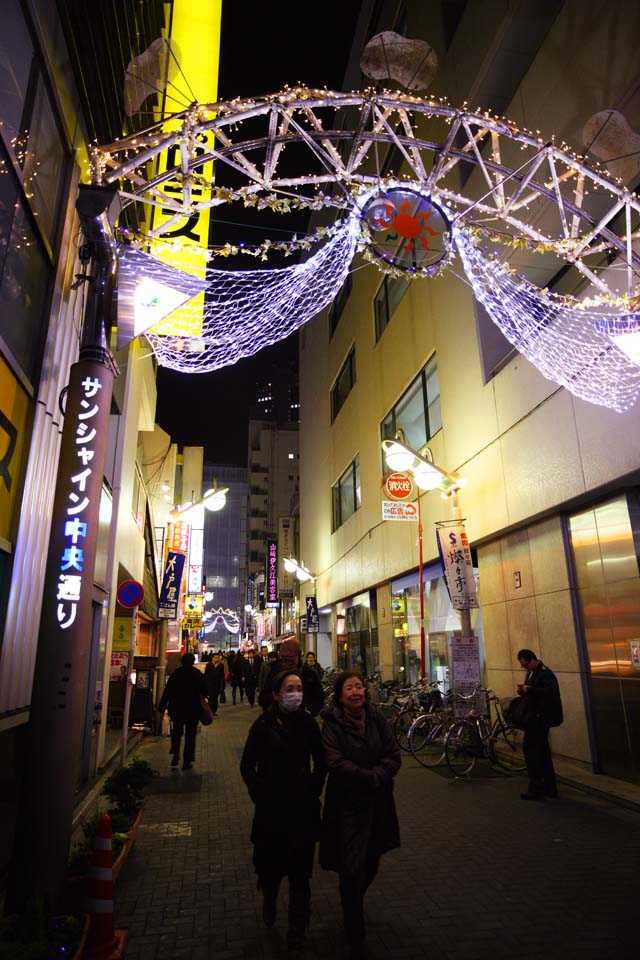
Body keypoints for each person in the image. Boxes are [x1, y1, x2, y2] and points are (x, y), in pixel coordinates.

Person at [240, 670, 327, 960]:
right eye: (290, 688)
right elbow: (246, 765)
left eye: (299, 688)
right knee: (270, 869)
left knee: (301, 877)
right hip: (271, 812)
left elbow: (322, 759)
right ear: (276, 694)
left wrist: (315, 786)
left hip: (302, 810)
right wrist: (259, 794)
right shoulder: (263, 724)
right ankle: (269, 896)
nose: (296, 693)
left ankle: (296, 936)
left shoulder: (308, 723)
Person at [320, 671, 401, 960]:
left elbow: (394, 753)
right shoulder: (331, 723)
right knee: (350, 866)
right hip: (346, 806)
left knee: (372, 859)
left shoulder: (377, 718)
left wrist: (378, 775)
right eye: (349, 688)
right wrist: (367, 778)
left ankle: (352, 900)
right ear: (340, 695)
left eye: (359, 687)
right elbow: (333, 760)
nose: (355, 692)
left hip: (378, 803)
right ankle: (355, 930)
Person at [516, 648, 563, 801]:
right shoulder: (531, 673)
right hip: (535, 718)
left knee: (531, 752)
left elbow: (550, 692)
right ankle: (549, 788)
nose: (524, 668)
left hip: (540, 719)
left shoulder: (545, 673)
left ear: (532, 660)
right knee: (542, 753)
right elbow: (533, 692)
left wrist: (530, 689)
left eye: (525, 664)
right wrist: (524, 691)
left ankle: (536, 789)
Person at [158, 653, 208, 770]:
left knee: (177, 732)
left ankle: (175, 753)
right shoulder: (197, 674)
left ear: (182, 661)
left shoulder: (176, 674)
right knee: (190, 735)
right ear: (192, 662)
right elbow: (205, 690)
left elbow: (167, 691)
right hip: (193, 710)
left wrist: (162, 707)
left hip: (177, 709)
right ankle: (187, 760)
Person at [260, 638, 325, 717]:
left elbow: (318, 696)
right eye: (286, 658)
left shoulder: (307, 673)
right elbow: (264, 697)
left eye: (291, 658)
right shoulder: (275, 671)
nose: (288, 662)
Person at [204, 651, 226, 716]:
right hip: (210, 685)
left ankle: (214, 711)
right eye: (215, 658)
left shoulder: (221, 665)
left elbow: (222, 676)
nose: (217, 659)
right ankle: (211, 711)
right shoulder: (208, 665)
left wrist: (223, 686)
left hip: (217, 685)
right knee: (211, 699)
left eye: (218, 658)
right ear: (212, 658)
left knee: (215, 699)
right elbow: (206, 675)